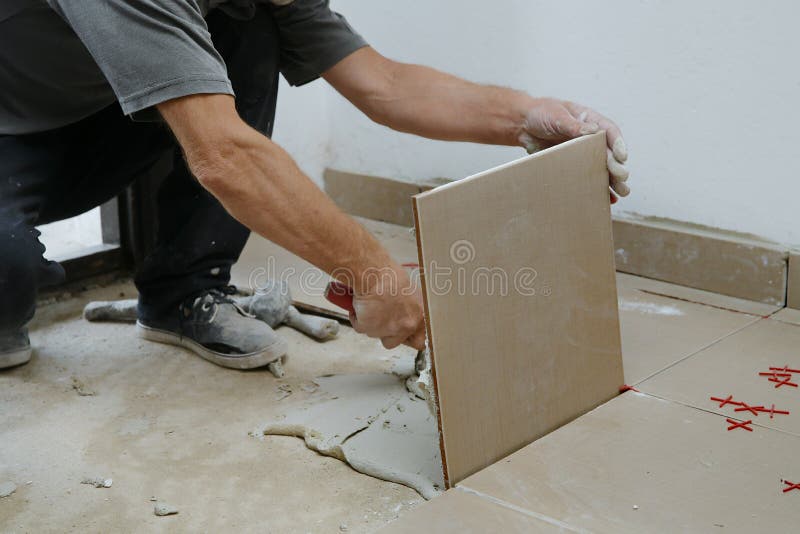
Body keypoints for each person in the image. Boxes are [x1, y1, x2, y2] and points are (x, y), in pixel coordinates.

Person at [0, 0, 630, 370]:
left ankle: (182, 292)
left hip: (103, 112)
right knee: (6, 281)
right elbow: (223, 154)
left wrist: (527, 116)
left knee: (248, 26)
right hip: (11, 132)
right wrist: (375, 274)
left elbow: (383, 85)